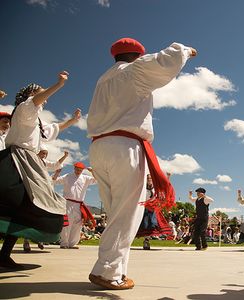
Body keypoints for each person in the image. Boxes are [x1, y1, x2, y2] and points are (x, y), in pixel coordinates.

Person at [87, 37, 196, 289]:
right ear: (136, 56)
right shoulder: (134, 71)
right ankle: (108, 271)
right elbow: (164, 61)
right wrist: (186, 51)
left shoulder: (103, 79)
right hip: (125, 146)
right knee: (126, 213)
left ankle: (117, 270)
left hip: (99, 146)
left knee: (116, 210)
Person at [0, 72, 82, 269]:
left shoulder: (37, 121)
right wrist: (59, 85)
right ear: (31, 96)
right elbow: (36, 99)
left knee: (27, 208)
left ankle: (4, 255)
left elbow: (55, 128)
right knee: (13, 204)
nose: (44, 99)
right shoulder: (23, 110)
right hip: (15, 160)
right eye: (40, 94)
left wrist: (72, 120)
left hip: (29, 163)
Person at [23, 147, 70, 252]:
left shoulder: (44, 165)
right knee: (28, 215)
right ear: (37, 152)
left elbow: (55, 165)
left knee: (41, 216)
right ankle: (26, 241)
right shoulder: (31, 160)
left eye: (45, 154)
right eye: (42, 153)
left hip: (42, 192)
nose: (43, 155)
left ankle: (39, 239)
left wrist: (64, 156)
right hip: (31, 188)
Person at [53, 161, 97, 249]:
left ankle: (72, 243)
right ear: (74, 168)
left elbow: (96, 180)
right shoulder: (67, 176)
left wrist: (93, 172)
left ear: (82, 170)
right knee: (67, 223)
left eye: (80, 170)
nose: (78, 171)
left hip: (79, 204)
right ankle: (64, 243)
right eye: (77, 169)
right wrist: (56, 173)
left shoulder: (85, 178)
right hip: (68, 203)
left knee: (78, 224)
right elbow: (55, 181)